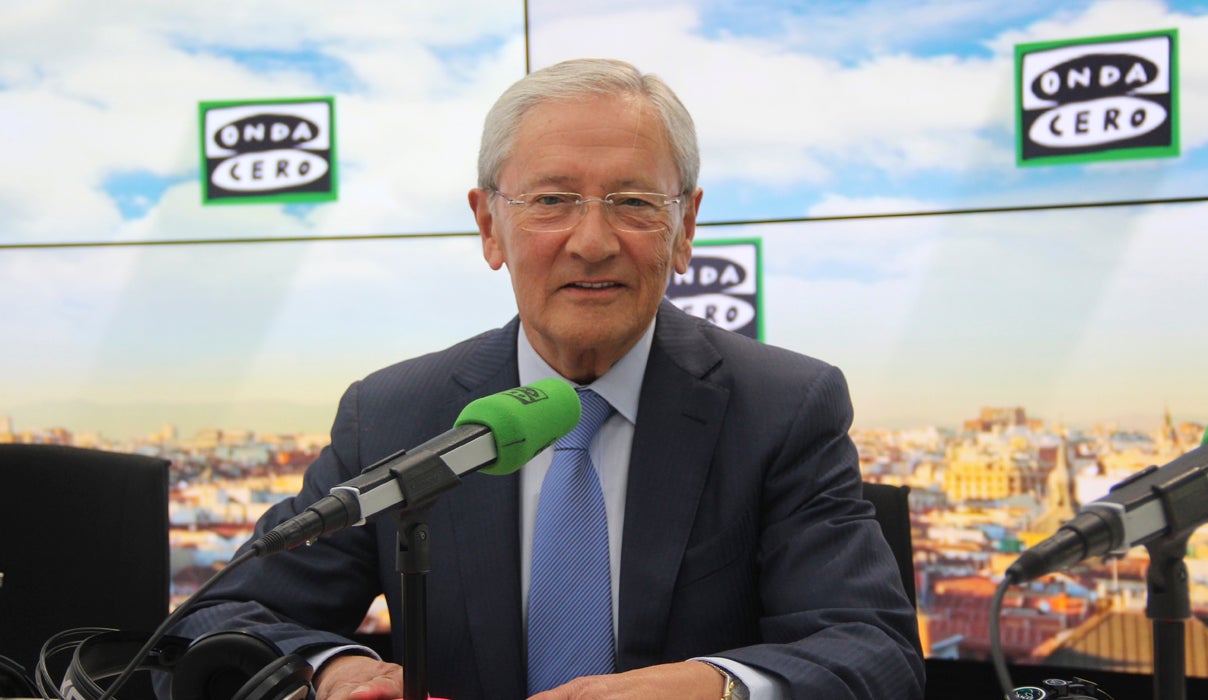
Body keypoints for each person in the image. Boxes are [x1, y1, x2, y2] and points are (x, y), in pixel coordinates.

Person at [163, 58, 924, 700]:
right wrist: (339, 671)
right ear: (489, 225)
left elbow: (874, 651)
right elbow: (217, 621)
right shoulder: (397, 413)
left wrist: (709, 685)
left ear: (686, 227)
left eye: (632, 202)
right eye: (552, 201)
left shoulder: (783, 407)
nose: (591, 243)